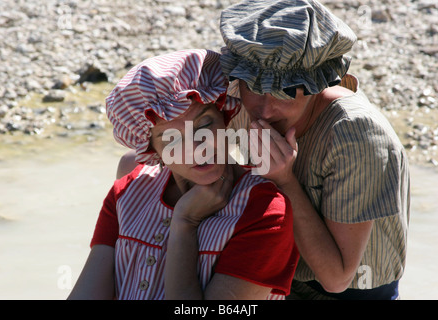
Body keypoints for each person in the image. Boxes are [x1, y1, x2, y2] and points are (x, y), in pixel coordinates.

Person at [67, 49, 299, 300]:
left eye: (204, 124)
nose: (197, 149)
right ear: (151, 148)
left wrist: (184, 224)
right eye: (172, 139)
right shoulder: (127, 193)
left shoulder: (263, 210)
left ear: (225, 117)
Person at [218, 0, 410, 300]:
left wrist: (286, 182)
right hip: (274, 273)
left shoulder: (354, 134)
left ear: (316, 84)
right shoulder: (238, 97)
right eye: (254, 87)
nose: (265, 109)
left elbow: (337, 278)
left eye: (285, 92)